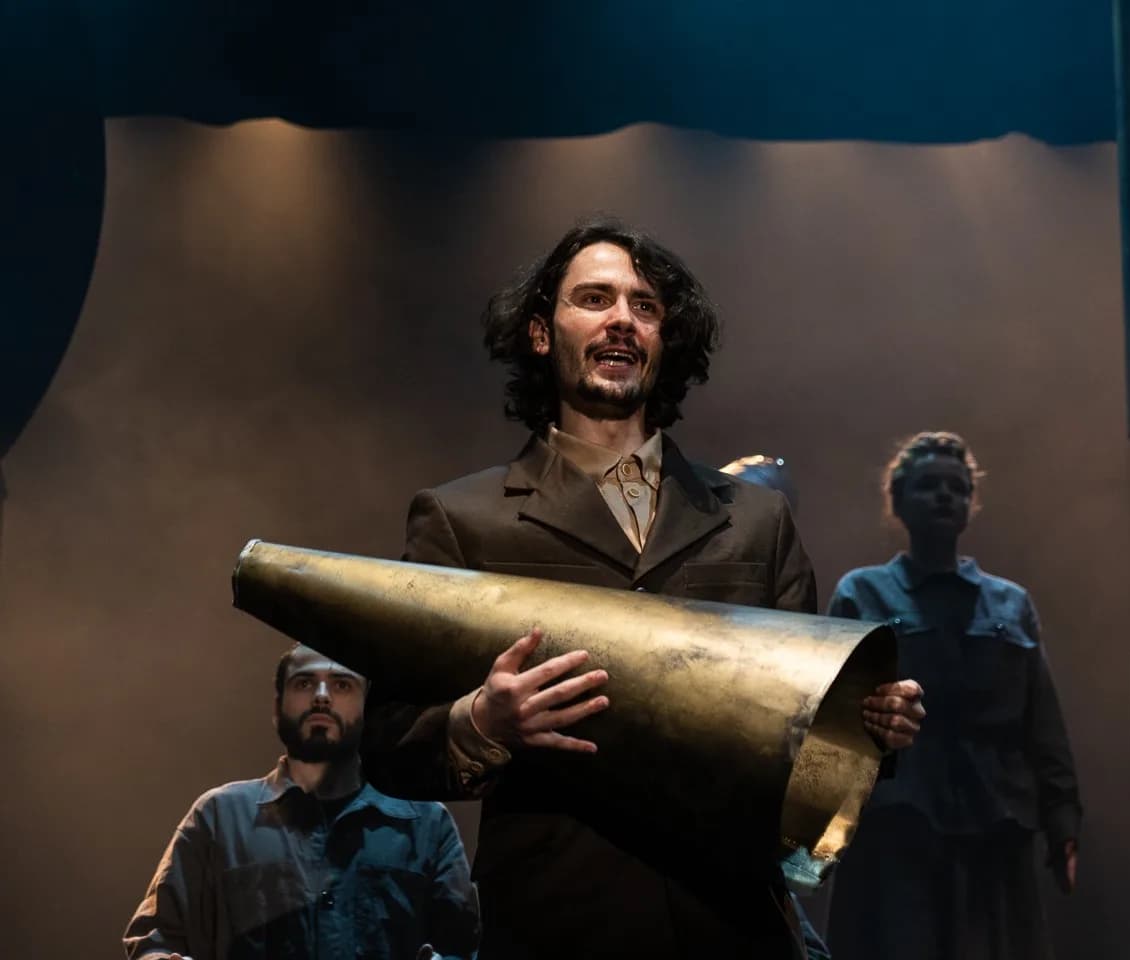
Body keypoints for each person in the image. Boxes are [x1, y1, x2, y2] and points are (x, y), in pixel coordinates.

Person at [361, 216, 926, 960]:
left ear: (665, 341)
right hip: (555, 923)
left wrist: (870, 724)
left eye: (646, 306)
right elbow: (389, 745)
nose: (623, 319)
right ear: (541, 333)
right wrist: (481, 721)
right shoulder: (461, 518)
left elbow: (805, 730)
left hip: (735, 926)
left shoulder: (756, 519)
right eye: (594, 299)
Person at [825, 432, 1080, 960]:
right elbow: (831, 722)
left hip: (995, 824)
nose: (944, 496)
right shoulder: (862, 593)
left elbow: (1042, 720)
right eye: (928, 485)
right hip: (899, 826)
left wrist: (1063, 820)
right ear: (898, 501)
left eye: (957, 487)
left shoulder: (1009, 603)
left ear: (971, 502)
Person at [122, 644, 479, 960]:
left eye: (342, 685)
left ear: (369, 709)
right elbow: (154, 940)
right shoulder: (218, 817)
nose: (321, 696)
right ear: (277, 708)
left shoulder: (426, 822)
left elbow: (468, 945)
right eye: (304, 683)